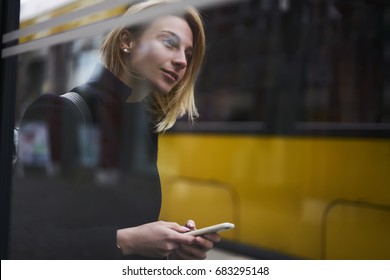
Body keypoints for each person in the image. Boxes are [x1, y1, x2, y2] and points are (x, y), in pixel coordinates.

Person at [10, 0, 220, 260]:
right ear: (126, 41)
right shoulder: (55, 112)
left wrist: (172, 249)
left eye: (188, 54)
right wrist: (124, 241)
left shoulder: (143, 126)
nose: (181, 61)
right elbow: (19, 240)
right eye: (169, 43)